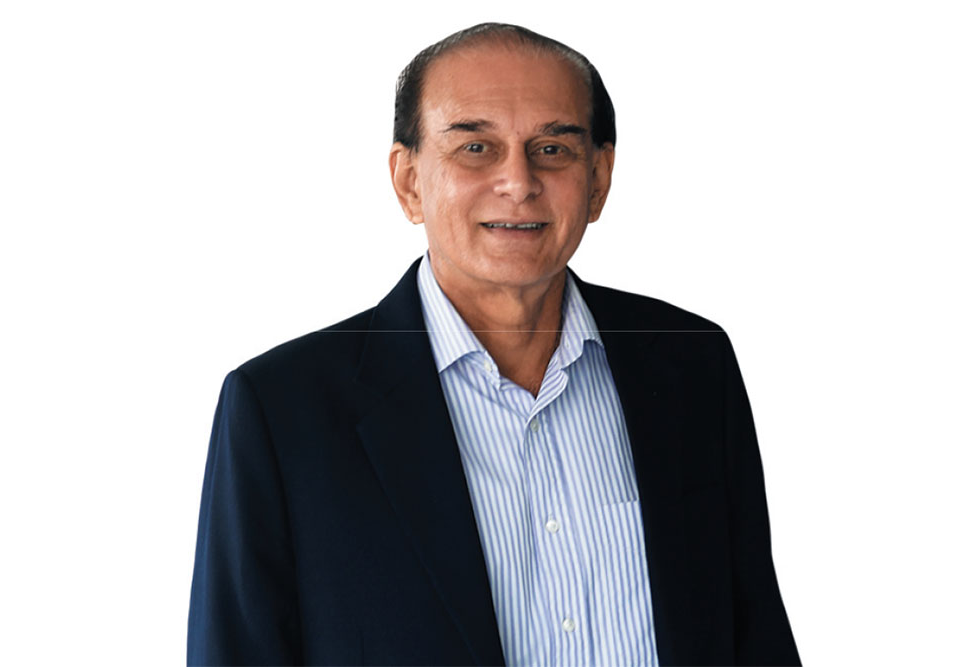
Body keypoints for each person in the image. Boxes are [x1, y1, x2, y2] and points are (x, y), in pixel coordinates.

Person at [187, 22, 800, 667]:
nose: (518, 181)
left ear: (598, 180)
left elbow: (755, 633)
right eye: (476, 148)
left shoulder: (692, 364)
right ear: (409, 181)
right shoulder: (282, 411)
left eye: (552, 149)